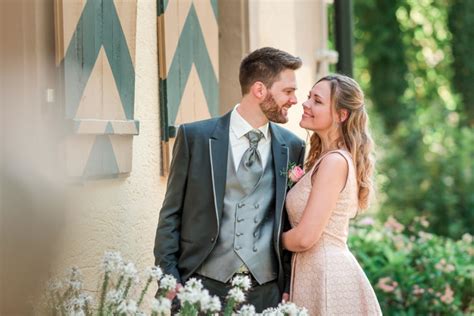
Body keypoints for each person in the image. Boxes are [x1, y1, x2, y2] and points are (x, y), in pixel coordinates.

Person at [154, 47, 306, 312]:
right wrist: (168, 279)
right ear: (260, 90)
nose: (294, 100)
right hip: (202, 285)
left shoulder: (292, 146)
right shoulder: (196, 138)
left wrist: (288, 286)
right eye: (288, 91)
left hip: (266, 292)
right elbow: (171, 215)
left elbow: (290, 219)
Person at [282, 74, 382, 315]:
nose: (306, 104)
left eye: (317, 100)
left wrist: (261, 241)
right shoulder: (322, 160)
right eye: (309, 98)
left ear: (341, 115)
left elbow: (306, 237)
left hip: (327, 276)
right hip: (312, 271)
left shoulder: (335, 162)